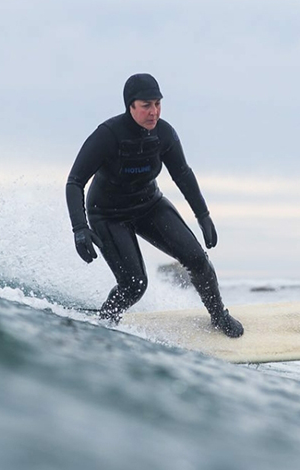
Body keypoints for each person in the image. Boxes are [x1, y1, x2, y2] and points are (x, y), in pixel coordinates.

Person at [65, 73, 244, 338]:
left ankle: (219, 316)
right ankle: (105, 324)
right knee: (134, 285)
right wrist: (79, 227)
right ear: (131, 106)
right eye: (146, 105)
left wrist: (203, 215)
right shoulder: (108, 135)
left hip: (149, 205)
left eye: (158, 104)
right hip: (108, 214)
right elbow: (74, 181)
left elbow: (182, 174)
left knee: (197, 260)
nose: (154, 112)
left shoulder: (164, 134)